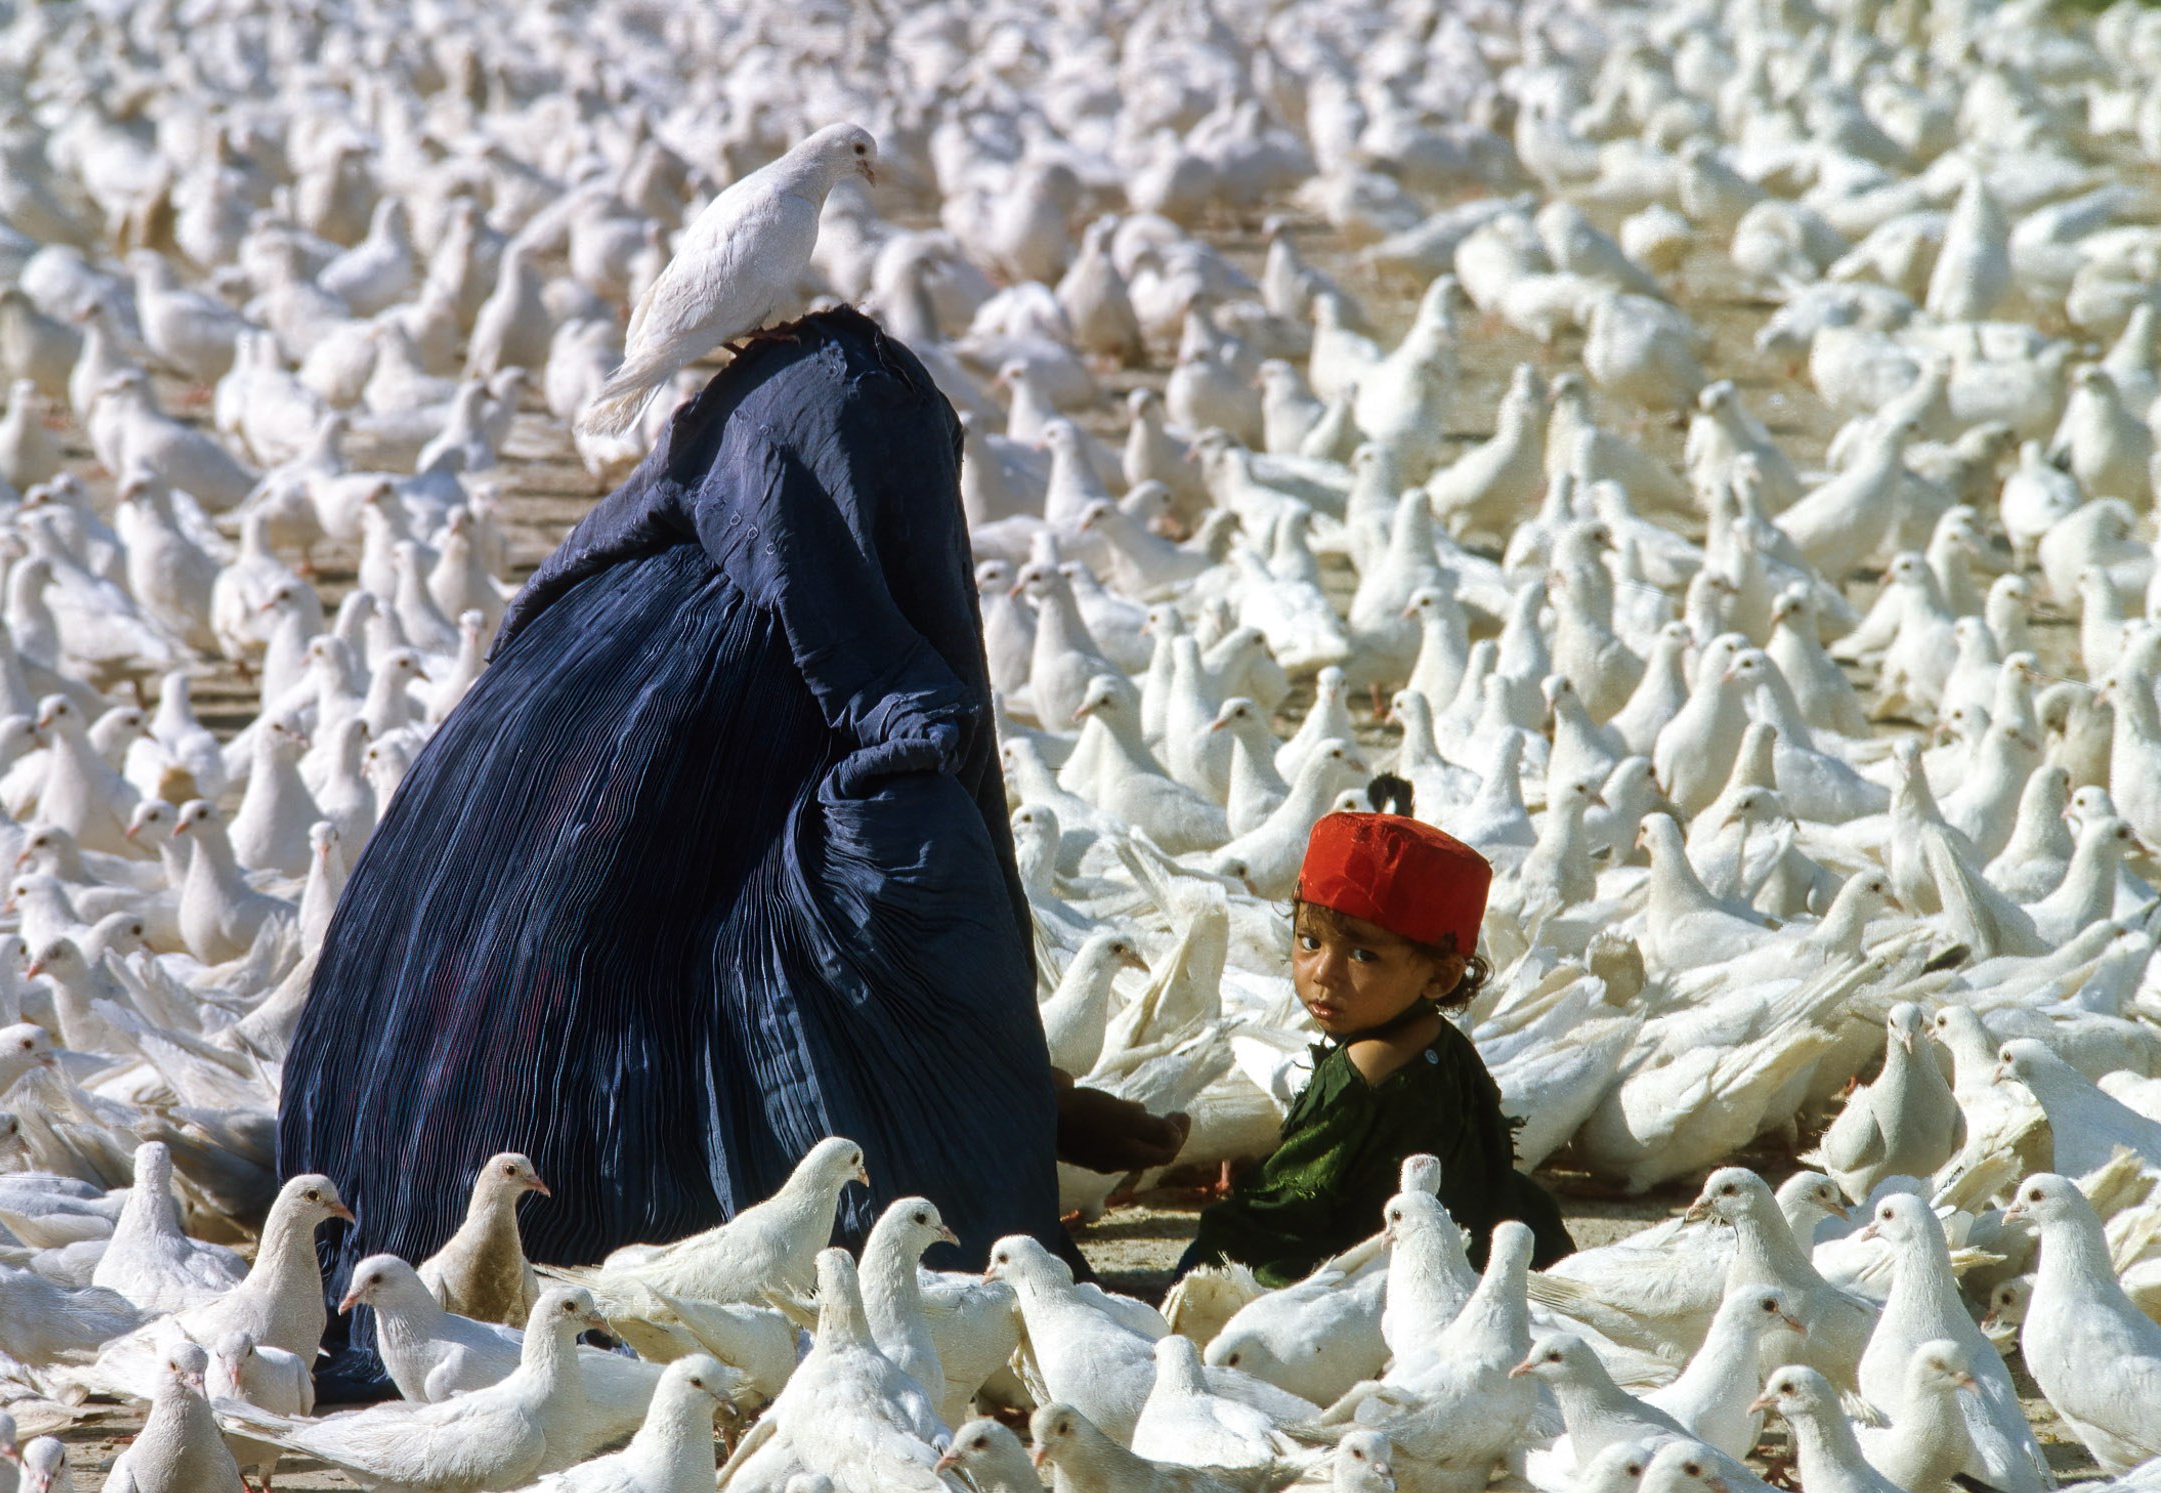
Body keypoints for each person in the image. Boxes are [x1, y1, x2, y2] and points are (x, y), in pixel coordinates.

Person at [277, 307, 1173, 1397]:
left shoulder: (600, 594)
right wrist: (1004, 1096)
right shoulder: (777, 647)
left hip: (359, 1149)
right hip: (564, 1175)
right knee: (909, 875)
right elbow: (909, 890)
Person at [1178, 810, 1573, 1283]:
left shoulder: (1363, 1071)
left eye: (1362, 954)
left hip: (1375, 1278)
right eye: (1308, 941)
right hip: (1459, 1263)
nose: (1322, 973)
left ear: (1440, 976)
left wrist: (1209, 1257)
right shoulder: (1448, 1048)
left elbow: (1288, 1195)